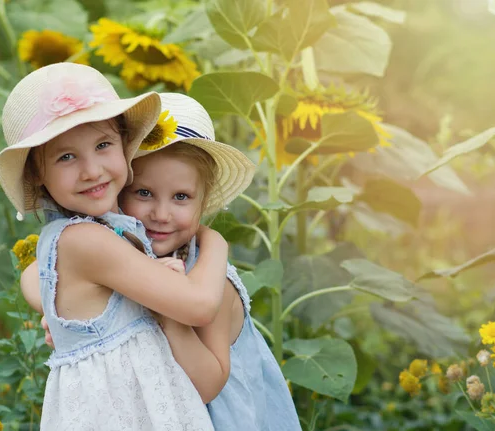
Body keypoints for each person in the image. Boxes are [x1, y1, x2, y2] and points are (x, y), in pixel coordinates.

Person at [25, 92, 302, 430]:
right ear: (118, 188)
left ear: (205, 202)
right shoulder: (118, 252)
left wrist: (166, 311)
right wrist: (64, 310)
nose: (160, 214)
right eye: (143, 193)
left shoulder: (214, 282)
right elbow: (34, 275)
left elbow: (206, 386)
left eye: (181, 197)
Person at [0, 62, 231, 430]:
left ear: (124, 146)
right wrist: (214, 240)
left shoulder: (97, 231)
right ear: (36, 174)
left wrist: (61, 309)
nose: (92, 171)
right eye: (66, 156)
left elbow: (35, 278)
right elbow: (199, 307)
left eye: (103, 145)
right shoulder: (87, 241)